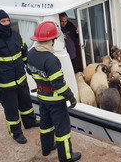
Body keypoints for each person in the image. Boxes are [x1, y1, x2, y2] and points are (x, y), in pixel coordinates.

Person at [27, 21, 81, 162]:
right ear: (50, 41)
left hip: (42, 97)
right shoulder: (51, 59)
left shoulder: (31, 53)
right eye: (54, 39)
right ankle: (66, 157)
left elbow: (30, 71)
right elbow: (58, 84)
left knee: (45, 124)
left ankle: (46, 148)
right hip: (56, 100)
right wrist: (70, 96)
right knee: (62, 129)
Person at [0, 9, 39, 144]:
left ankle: (30, 122)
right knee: (11, 111)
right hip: (6, 85)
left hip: (21, 79)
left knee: (26, 103)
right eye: (3, 21)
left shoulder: (15, 35)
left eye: (8, 20)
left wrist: (30, 67)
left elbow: (24, 52)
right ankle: (15, 132)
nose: (6, 23)